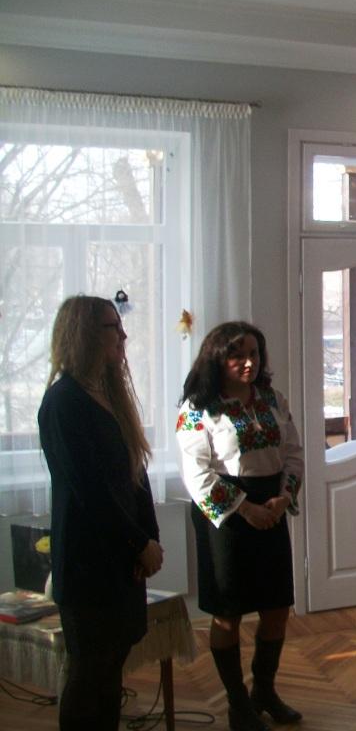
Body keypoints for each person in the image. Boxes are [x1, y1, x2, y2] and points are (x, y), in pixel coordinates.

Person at [38, 295, 163, 731]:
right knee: (89, 672)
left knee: (111, 669)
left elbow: (135, 474)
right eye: (114, 327)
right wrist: (137, 542)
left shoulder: (109, 395)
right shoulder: (63, 402)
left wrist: (150, 537)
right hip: (87, 561)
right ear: (85, 334)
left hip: (121, 557)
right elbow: (89, 491)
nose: (123, 336)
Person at [176, 322, 303, 731]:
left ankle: (264, 691)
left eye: (254, 353)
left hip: (271, 507)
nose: (249, 363)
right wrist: (245, 509)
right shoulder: (198, 408)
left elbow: (293, 453)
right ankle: (238, 705)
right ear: (217, 359)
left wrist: (283, 497)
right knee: (227, 613)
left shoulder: (273, 399)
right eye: (237, 355)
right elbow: (196, 474)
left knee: (277, 608)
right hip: (226, 519)